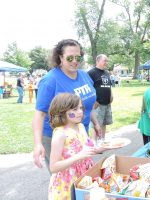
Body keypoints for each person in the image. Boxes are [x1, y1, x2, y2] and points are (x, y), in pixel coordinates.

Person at [32, 39, 101, 171]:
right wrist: (37, 144)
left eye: (78, 57)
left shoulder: (84, 76)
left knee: (82, 170)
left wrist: (96, 124)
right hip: (57, 137)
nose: (75, 61)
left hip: (80, 133)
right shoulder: (50, 80)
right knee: (65, 176)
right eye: (70, 58)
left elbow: (88, 104)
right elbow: (39, 114)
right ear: (60, 57)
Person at [47, 93, 107, 200]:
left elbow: (87, 148)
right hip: (67, 183)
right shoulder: (60, 134)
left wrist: (105, 147)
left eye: (80, 108)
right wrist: (79, 156)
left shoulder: (80, 126)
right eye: (74, 109)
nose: (80, 112)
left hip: (85, 175)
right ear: (62, 112)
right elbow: (53, 167)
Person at [88, 54, 113, 140]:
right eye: (104, 60)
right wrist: (93, 101)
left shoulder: (106, 73)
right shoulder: (91, 73)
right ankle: (95, 144)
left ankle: (102, 141)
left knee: (104, 123)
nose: (106, 62)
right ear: (98, 61)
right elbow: (88, 87)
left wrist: (111, 95)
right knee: (96, 124)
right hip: (98, 104)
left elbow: (109, 85)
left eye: (107, 61)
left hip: (107, 103)